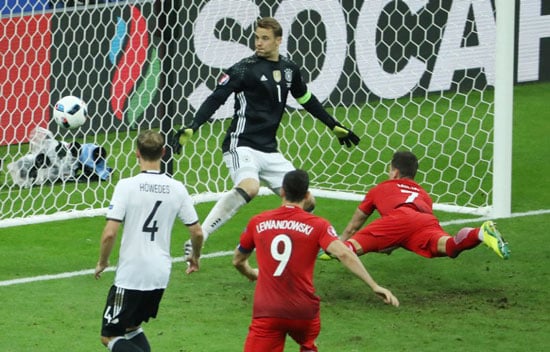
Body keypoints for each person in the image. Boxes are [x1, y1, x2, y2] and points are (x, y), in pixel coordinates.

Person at [172, 17, 360, 257]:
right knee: (250, 187)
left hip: (270, 150)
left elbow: (306, 100)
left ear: (278, 40)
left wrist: (333, 125)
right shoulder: (243, 68)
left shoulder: (290, 70)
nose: (258, 43)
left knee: (307, 201)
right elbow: (216, 97)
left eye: (265, 38)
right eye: (257, 37)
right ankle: (201, 235)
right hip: (241, 145)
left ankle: (292, 245)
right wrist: (193, 125)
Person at [232, 169, 399, 352]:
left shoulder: (258, 221)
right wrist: (374, 285)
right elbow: (344, 253)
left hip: (268, 310)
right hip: (304, 312)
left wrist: (252, 273)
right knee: (307, 343)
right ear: (307, 195)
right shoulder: (318, 225)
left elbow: (238, 260)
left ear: (282, 192)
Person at [94, 130, 203, 352]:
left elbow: (109, 234)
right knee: (132, 328)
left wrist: (103, 261)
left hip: (131, 275)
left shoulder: (126, 186)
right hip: (160, 274)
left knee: (110, 336)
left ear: (137, 154)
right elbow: (198, 232)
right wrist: (195, 257)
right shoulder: (177, 188)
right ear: (163, 152)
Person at [328, 150, 510, 261]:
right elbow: (406, 232)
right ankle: (480, 232)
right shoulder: (424, 195)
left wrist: (340, 243)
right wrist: (389, 244)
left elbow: (353, 227)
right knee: (450, 246)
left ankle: (322, 253)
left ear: (395, 172)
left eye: (390, 169)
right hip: (425, 221)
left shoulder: (379, 189)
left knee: (346, 250)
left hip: (399, 218)